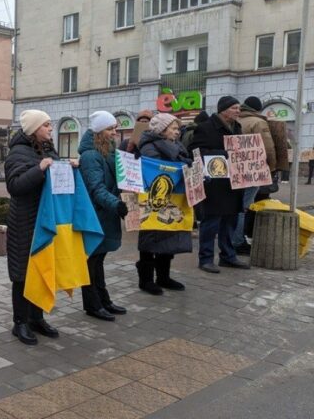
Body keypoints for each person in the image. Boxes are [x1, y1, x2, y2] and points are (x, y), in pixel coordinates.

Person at [4, 110, 78, 345]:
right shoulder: (17, 153)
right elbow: (15, 186)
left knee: (42, 268)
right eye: (45, 125)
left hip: (44, 219)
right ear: (34, 128)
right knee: (23, 274)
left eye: (49, 124)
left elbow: (55, 179)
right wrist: (40, 169)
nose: (49, 128)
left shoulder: (47, 149)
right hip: (24, 222)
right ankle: (20, 323)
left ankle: (37, 318)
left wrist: (69, 167)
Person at [189, 96, 250, 273]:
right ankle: (206, 258)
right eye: (234, 108)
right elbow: (195, 151)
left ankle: (228, 256)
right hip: (215, 183)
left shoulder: (237, 127)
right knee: (211, 222)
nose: (238, 111)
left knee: (230, 220)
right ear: (223, 110)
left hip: (233, 182)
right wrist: (225, 154)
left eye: (239, 108)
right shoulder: (206, 127)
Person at [78, 111, 129, 321]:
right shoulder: (91, 155)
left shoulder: (109, 152)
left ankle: (103, 300)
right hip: (95, 216)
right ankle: (93, 304)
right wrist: (116, 204)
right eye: (110, 129)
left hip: (104, 215)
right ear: (99, 131)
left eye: (115, 128)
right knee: (91, 263)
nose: (114, 133)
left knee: (98, 261)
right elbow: (96, 188)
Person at [135, 113, 193, 295]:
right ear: (162, 130)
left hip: (173, 198)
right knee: (151, 238)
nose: (177, 132)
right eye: (174, 128)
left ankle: (163, 276)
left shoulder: (177, 146)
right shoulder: (148, 146)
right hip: (153, 200)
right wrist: (181, 166)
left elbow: (183, 162)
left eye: (178, 129)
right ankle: (146, 280)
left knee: (169, 236)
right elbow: (157, 168)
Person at [234, 96, 276, 255]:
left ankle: (233, 237)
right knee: (243, 207)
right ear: (257, 109)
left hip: (236, 168)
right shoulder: (258, 122)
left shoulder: (236, 120)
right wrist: (271, 167)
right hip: (253, 170)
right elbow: (268, 147)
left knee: (235, 205)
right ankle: (237, 241)